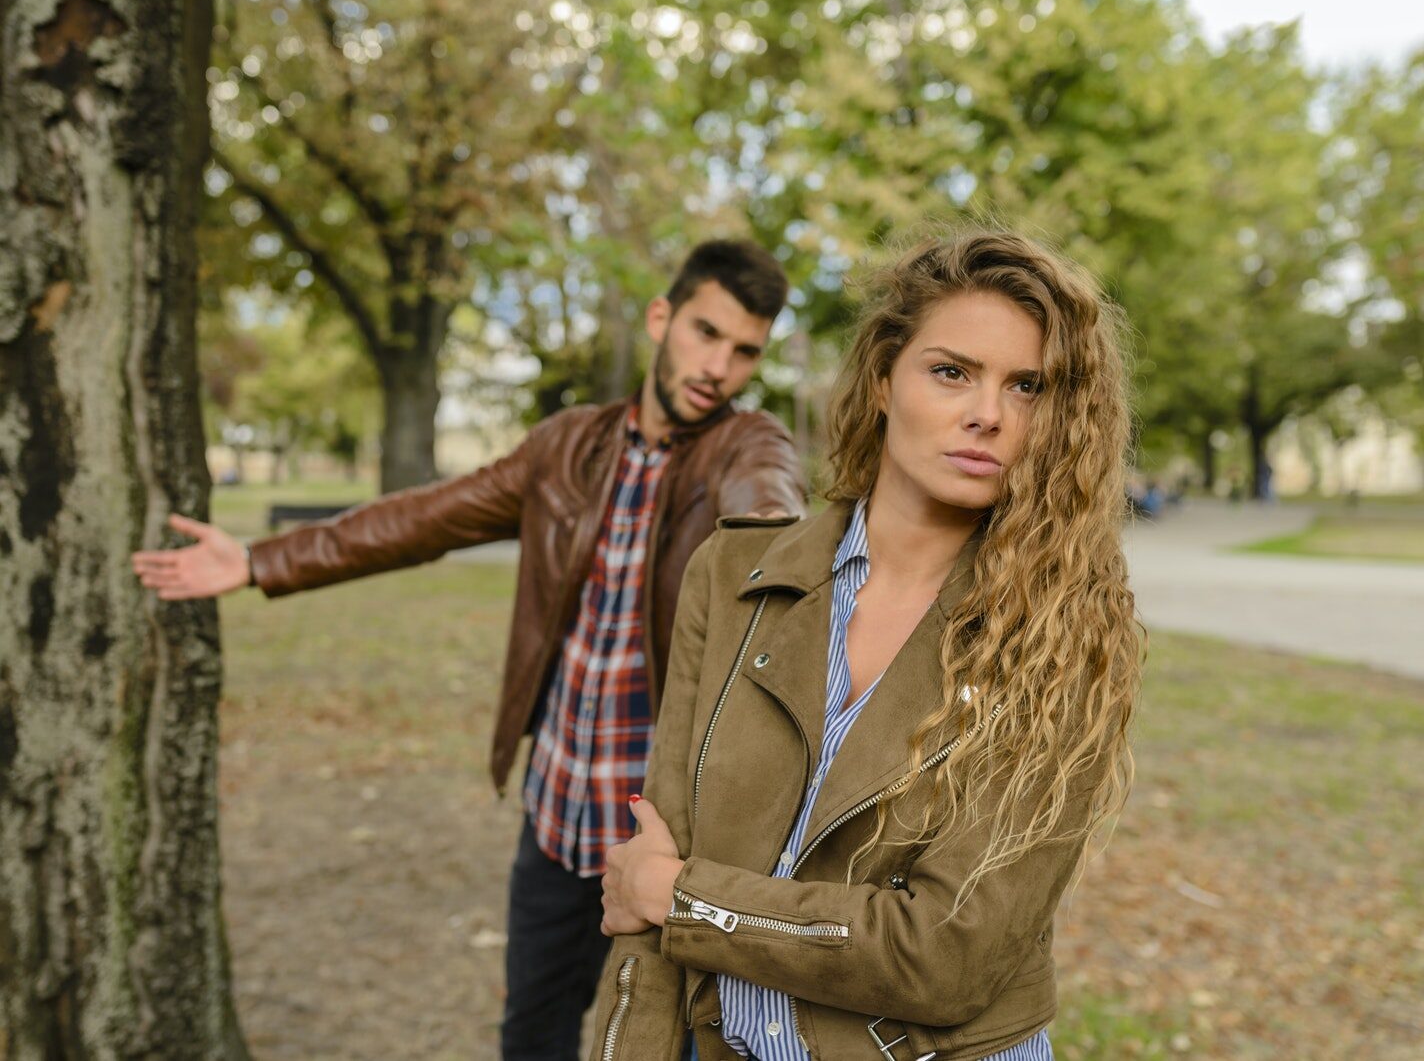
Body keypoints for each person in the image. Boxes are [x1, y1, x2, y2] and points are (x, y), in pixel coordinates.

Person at [130, 239, 808, 1061]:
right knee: (533, 1033)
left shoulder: (747, 447)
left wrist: (777, 555)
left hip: (672, 839)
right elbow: (425, 518)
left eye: (744, 353)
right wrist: (256, 560)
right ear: (662, 319)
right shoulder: (565, 446)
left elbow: (766, 525)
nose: (719, 367)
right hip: (558, 816)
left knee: (684, 1044)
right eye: (706, 333)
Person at [590, 227, 1142, 1061]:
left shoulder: (1070, 636)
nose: (987, 415)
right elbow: (646, 888)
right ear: (884, 381)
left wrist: (688, 902)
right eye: (950, 371)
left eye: (1028, 386)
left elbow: (941, 955)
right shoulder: (732, 575)